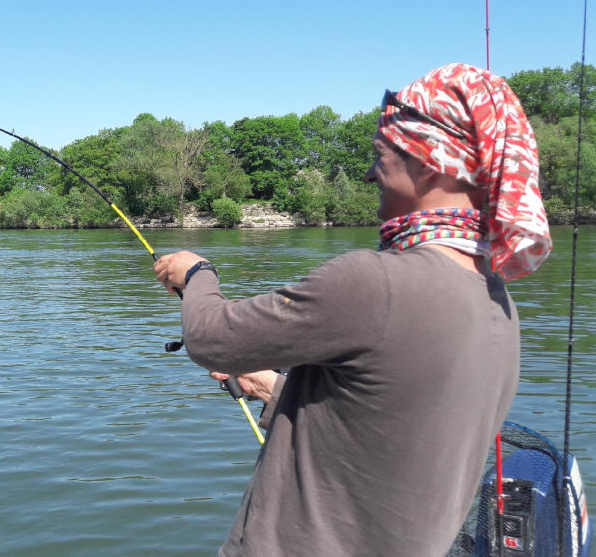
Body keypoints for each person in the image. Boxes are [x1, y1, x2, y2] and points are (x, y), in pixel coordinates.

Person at [153, 62, 552, 556]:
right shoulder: (497, 303)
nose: (368, 173)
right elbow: (391, 430)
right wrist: (275, 388)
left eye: (381, 155)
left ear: (431, 160)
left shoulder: (375, 282)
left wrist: (196, 273)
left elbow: (211, 338)